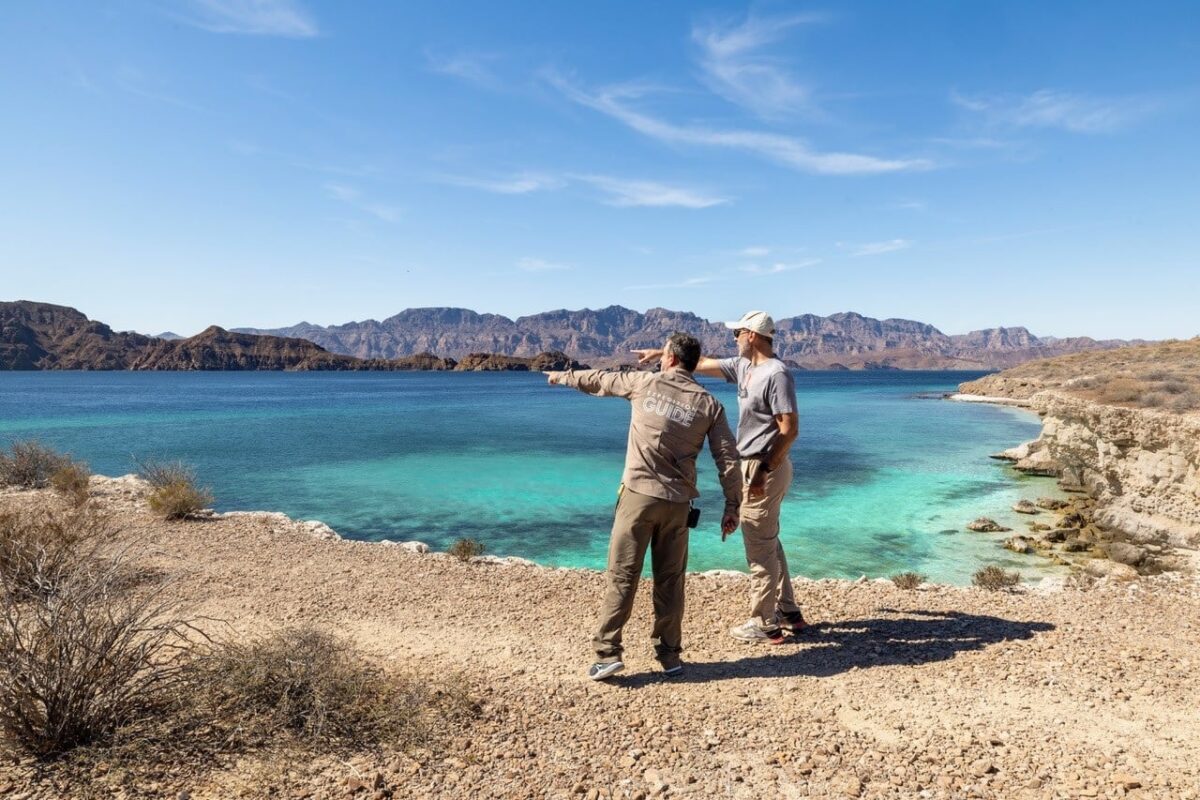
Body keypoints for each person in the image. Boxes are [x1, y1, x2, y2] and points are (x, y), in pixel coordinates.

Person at [545, 332, 742, 680]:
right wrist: (732, 505)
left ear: (668, 358)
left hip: (638, 498)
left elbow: (600, 380)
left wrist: (563, 376)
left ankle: (608, 654)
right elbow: (727, 457)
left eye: (663, 353)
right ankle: (669, 656)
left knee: (623, 575)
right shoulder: (709, 404)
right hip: (679, 505)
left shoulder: (643, 383)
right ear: (694, 363)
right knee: (670, 581)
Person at [635, 311, 804, 644]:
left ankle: (765, 623)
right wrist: (660, 354)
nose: (734, 339)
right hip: (752, 464)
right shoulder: (745, 367)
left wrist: (763, 471)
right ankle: (788, 611)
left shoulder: (776, 374)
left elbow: (790, 429)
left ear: (752, 335)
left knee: (759, 546)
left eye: (736, 333)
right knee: (766, 538)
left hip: (764, 466)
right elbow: (699, 364)